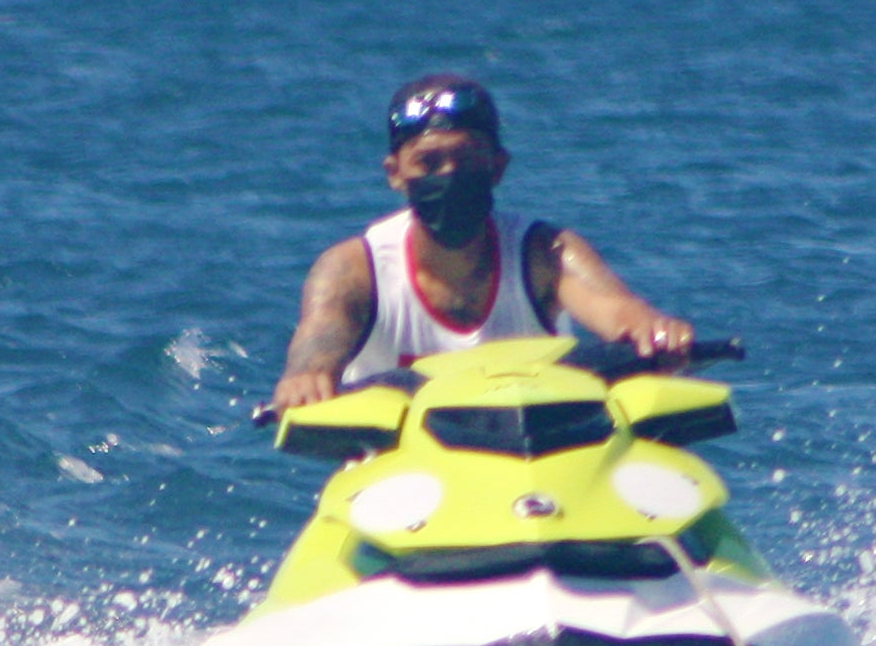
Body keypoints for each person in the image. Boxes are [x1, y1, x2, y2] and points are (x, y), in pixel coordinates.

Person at [269, 74, 697, 409]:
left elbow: (620, 313)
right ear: (395, 174)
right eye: (429, 162)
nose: (450, 175)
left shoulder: (544, 253)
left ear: (497, 168)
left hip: (541, 464)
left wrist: (654, 333)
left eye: (467, 159)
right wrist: (305, 381)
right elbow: (315, 353)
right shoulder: (352, 270)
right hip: (400, 480)